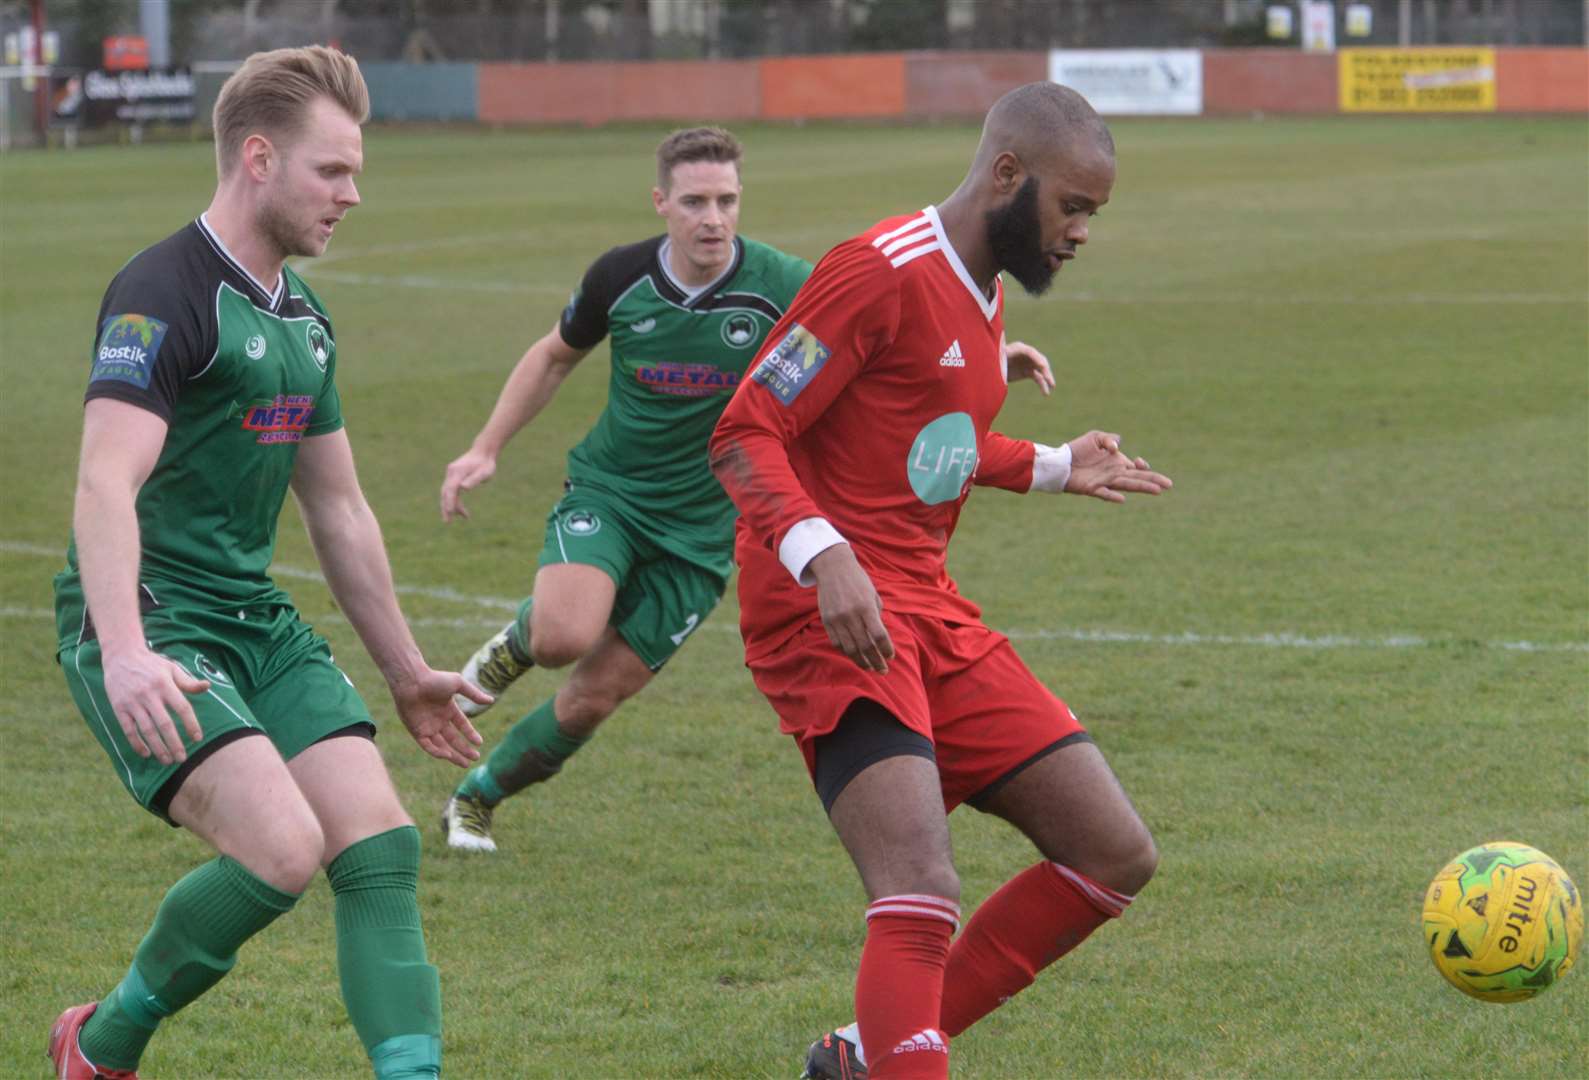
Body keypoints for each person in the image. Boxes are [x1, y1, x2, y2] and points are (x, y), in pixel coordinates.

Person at [708, 82, 1173, 1079]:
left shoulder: (985, 286)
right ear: (1006, 175)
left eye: (1091, 213)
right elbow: (745, 431)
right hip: (820, 615)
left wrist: (1051, 464)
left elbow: (926, 442)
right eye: (1072, 207)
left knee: (1111, 852)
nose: (1081, 232)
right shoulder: (875, 271)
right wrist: (821, 554)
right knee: (917, 883)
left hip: (926, 610)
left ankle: (860, 1055)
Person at [47, 46, 487, 1080]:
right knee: (282, 850)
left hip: (250, 614)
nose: (353, 193)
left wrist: (406, 670)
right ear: (257, 158)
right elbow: (103, 486)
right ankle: (101, 1044)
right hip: (152, 616)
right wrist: (124, 654)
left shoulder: (305, 322)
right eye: (332, 171)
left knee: (379, 845)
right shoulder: (164, 290)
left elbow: (337, 508)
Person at [437, 127, 812, 852]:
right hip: (611, 492)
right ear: (661, 202)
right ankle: (522, 636)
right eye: (695, 201)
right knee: (562, 638)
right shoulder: (621, 276)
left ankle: (475, 799)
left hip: (705, 531)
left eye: (727, 200)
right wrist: (485, 448)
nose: (713, 218)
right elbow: (552, 357)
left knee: (591, 700)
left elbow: (870, 338)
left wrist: (989, 356)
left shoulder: (781, 285)